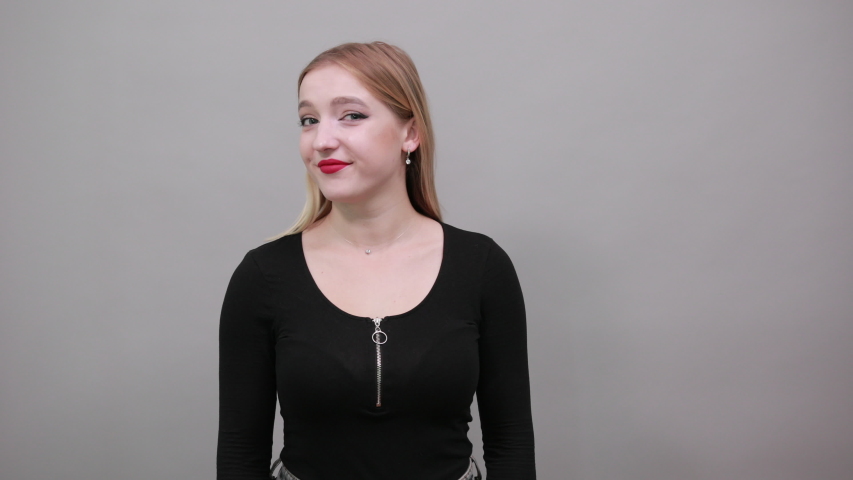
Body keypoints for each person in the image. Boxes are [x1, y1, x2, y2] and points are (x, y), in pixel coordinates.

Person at [217, 41, 535, 480]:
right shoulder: (263, 276)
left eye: (351, 115)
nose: (322, 140)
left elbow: (512, 440)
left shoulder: (481, 267)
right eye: (309, 120)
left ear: (411, 133)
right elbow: (239, 452)